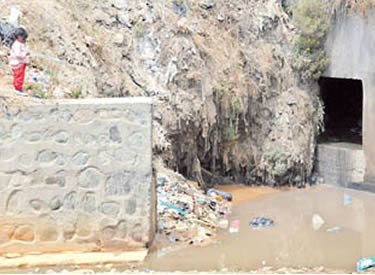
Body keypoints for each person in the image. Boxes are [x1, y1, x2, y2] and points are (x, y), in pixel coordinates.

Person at [8, 27, 29, 96]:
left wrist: (26, 52)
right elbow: (18, 54)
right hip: (18, 63)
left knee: (17, 76)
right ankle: (18, 89)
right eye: (23, 38)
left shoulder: (18, 44)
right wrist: (25, 54)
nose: (23, 39)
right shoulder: (17, 44)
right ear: (19, 36)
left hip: (19, 63)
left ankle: (17, 88)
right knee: (19, 77)